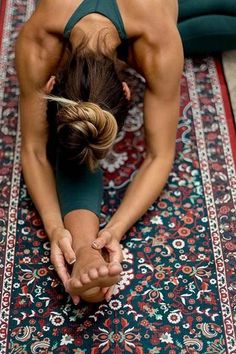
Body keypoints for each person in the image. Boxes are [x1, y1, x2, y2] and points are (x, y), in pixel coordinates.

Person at [15, 0, 183, 304]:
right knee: (75, 138)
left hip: (154, 14)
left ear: (128, 88)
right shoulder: (39, 41)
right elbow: (33, 150)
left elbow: (160, 155)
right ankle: (84, 252)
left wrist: (116, 229)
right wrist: (55, 228)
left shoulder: (158, 41)